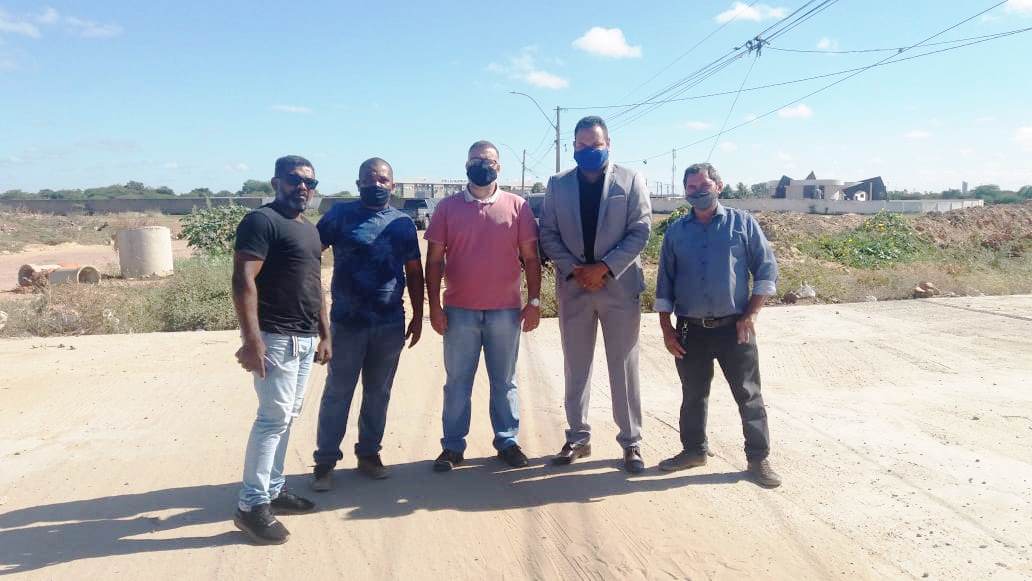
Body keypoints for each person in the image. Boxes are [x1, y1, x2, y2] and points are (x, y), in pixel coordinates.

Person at [654, 162, 782, 488]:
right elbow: (664, 283)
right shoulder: (676, 232)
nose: (698, 192)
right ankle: (693, 450)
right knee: (693, 395)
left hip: (735, 327)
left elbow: (766, 271)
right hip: (690, 329)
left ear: (719, 186)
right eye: (691, 188)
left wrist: (751, 315)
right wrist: (667, 329)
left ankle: (758, 458)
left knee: (748, 395)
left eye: (704, 186)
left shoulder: (742, 224)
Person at [539, 116, 652, 474]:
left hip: (619, 287)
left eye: (596, 145)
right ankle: (578, 437)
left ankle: (631, 442)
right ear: (573, 146)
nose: (589, 150)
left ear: (608, 144)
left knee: (624, 366)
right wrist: (575, 269)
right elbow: (548, 233)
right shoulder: (557, 185)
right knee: (576, 366)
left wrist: (603, 267)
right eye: (583, 145)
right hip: (575, 288)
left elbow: (640, 229)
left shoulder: (630, 180)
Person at [425, 140, 542, 471]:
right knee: (457, 383)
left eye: (488, 161)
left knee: (504, 381)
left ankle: (507, 441)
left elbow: (531, 258)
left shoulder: (518, 206)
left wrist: (534, 301)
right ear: (466, 165)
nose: (482, 166)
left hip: (505, 311)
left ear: (498, 167)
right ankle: (452, 447)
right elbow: (434, 261)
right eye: (476, 160)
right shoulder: (447, 208)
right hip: (459, 311)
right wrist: (434, 307)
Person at [232, 155, 330, 544]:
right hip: (274, 337)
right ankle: (251, 505)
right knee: (272, 420)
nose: (303, 187)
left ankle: (273, 490)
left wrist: (325, 334)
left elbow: (314, 284)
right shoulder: (262, 221)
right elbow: (243, 279)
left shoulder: (309, 230)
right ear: (276, 182)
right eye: (294, 179)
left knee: (288, 417)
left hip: (304, 338)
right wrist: (252, 339)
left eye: (310, 182)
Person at [310, 158, 424, 491]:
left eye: (383, 179)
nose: (376, 184)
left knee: (378, 393)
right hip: (347, 323)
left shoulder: (402, 223)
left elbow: (414, 272)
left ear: (393, 185)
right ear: (358, 183)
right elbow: (309, 252)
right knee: (338, 393)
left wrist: (419, 315)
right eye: (369, 179)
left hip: (389, 324)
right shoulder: (339, 215)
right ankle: (325, 462)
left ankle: (369, 454)